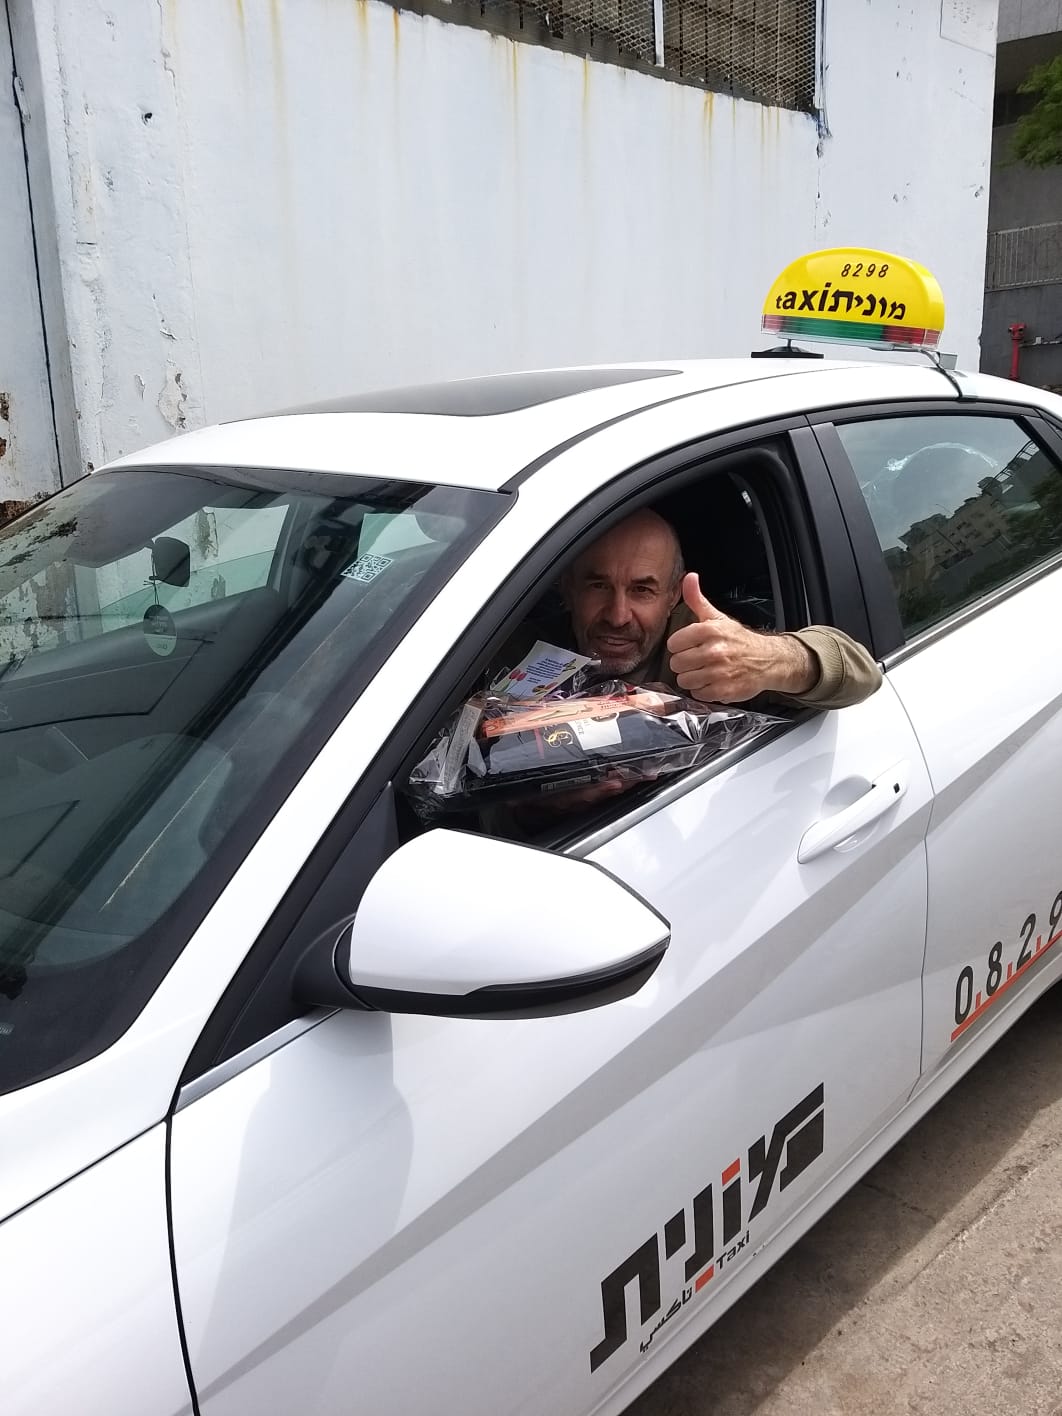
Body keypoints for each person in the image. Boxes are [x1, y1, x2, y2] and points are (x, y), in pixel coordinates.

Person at [553, 506, 881, 709]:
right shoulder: (527, 639)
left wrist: (768, 659)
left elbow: (863, 674)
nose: (617, 616)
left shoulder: (705, 646)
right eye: (598, 586)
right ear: (568, 587)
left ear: (673, 596)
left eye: (642, 590)